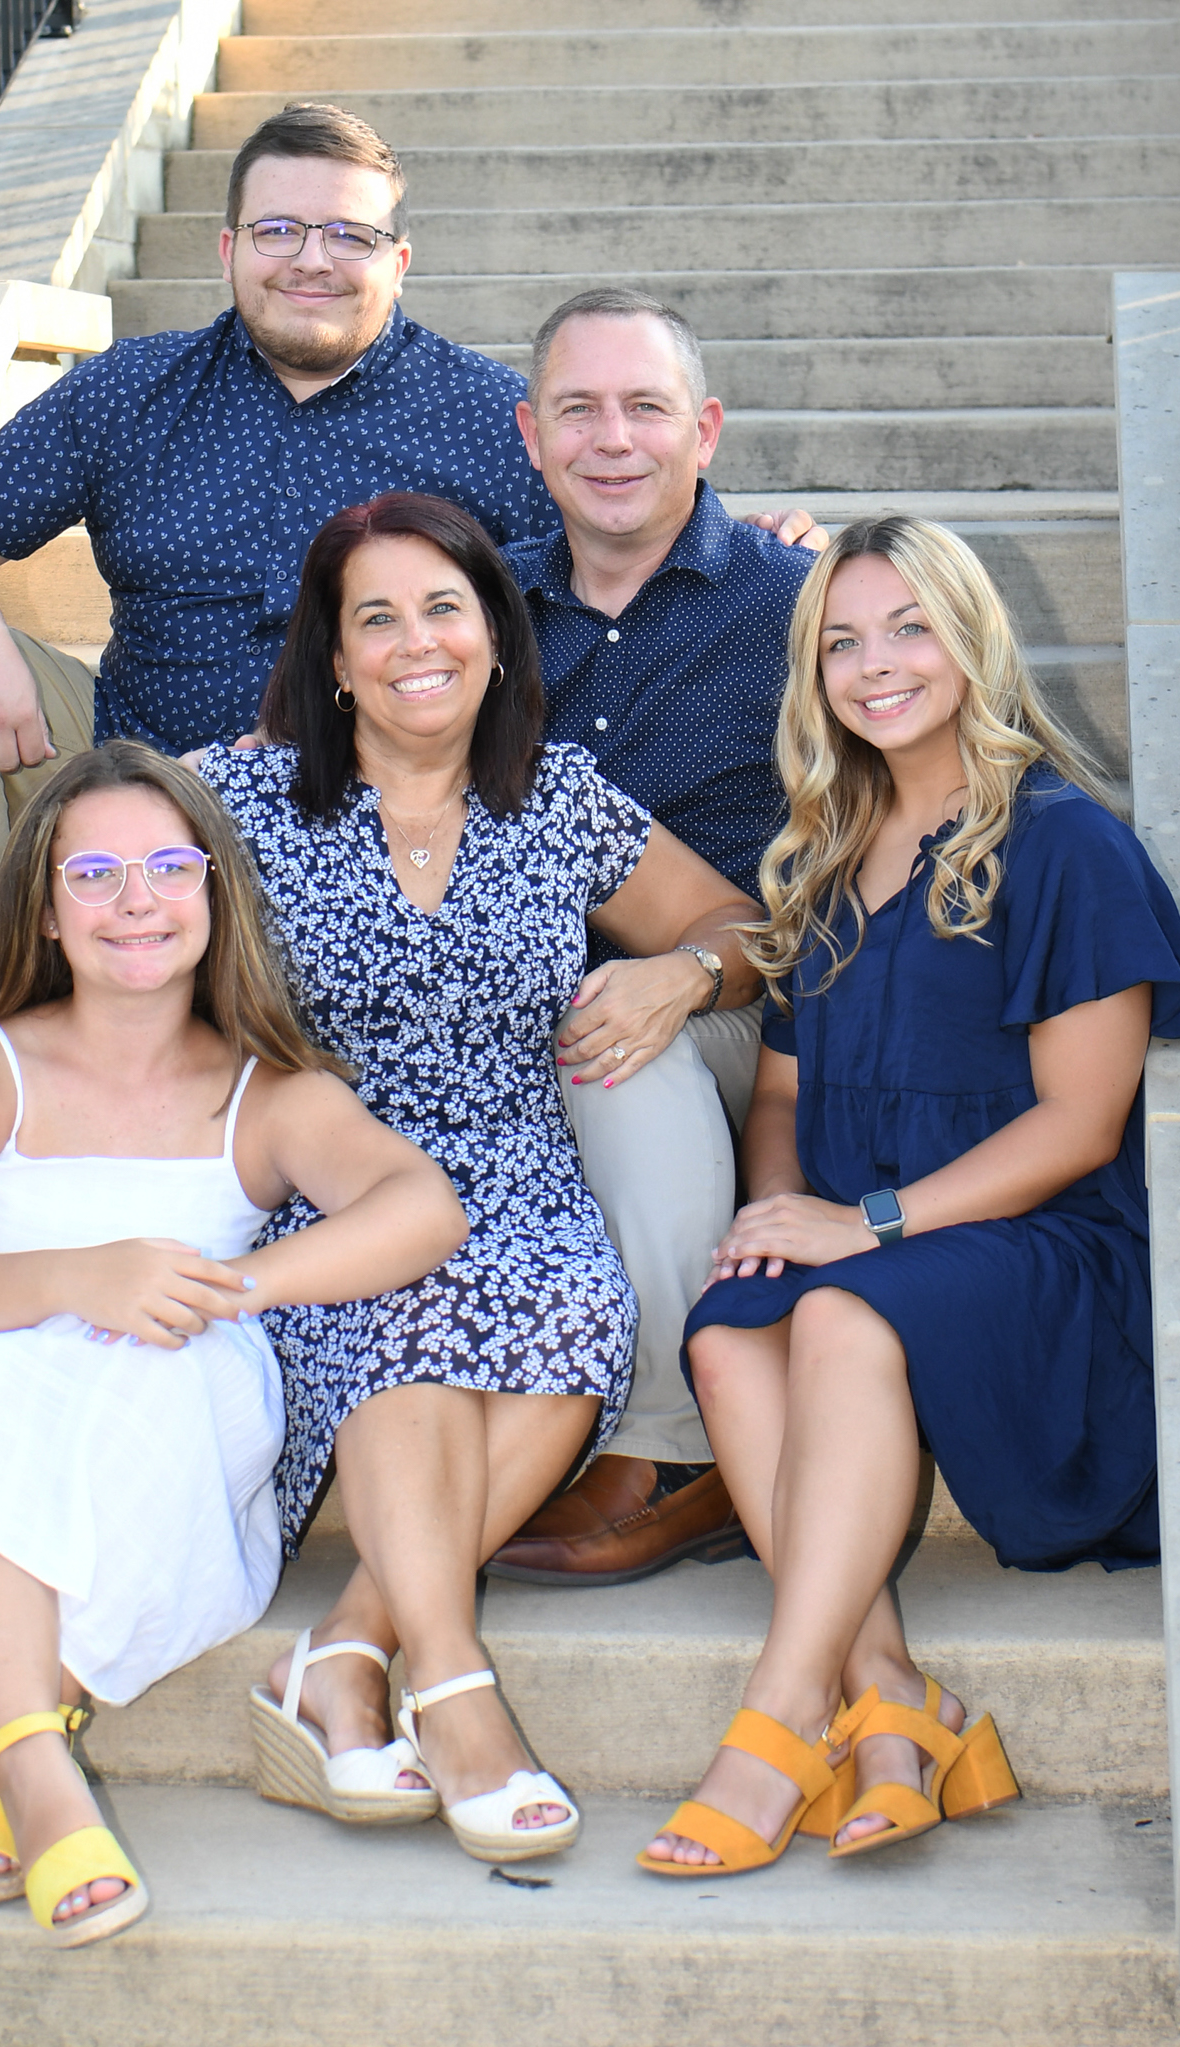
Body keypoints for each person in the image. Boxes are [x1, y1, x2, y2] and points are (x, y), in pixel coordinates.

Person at [0, 118, 817, 1148]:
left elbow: (629, 506)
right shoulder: (133, 390)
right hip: (145, 766)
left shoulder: (486, 415)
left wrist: (774, 539)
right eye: (279, 229)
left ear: (400, 260)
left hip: (372, 810)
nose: (312, 260)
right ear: (229, 247)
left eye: (349, 235)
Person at [0, 741, 468, 1945]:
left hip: (164, 1373)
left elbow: (421, 1208)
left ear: (215, 889)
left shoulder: (266, 1093)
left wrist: (237, 1285)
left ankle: (7, 1750)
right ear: (45, 909)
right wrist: (84, 1277)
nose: (136, 899)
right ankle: (42, 1778)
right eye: (94, 872)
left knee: (156, 1393)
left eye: (167, 865)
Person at [639, 515, 1180, 1877]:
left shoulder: (1062, 843)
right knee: (727, 1326)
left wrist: (865, 1227)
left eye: (907, 628)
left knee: (836, 1321)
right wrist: (774, 1217)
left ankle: (777, 1721)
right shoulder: (826, 850)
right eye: (841, 639)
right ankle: (891, 1698)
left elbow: (1078, 1126)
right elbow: (775, 1096)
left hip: (1036, 1247)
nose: (874, 662)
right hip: (866, 1244)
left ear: (970, 640)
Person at [193, 492, 762, 1862]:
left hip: (516, 1159)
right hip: (326, 1168)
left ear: (499, 640)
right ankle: (454, 1694)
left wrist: (677, 971)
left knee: (574, 1316)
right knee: (409, 1322)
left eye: (443, 608)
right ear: (330, 661)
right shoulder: (234, 799)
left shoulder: (553, 800)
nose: (412, 644)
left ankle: (346, 1648)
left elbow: (732, 920)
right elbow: (74, 906)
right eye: (372, 618)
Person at [488, 288, 826, 1588]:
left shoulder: (796, 607)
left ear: (707, 428)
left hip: (742, 1001)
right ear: (530, 433)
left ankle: (677, 1447)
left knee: (612, 1041)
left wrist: (687, 973)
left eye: (646, 407)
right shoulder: (480, 611)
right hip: (517, 1006)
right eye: (579, 409)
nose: (612, 438)